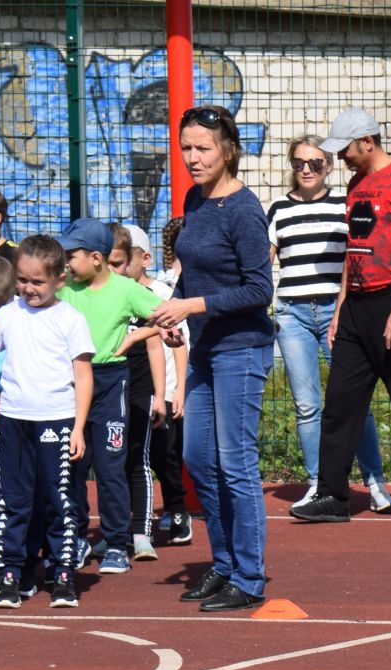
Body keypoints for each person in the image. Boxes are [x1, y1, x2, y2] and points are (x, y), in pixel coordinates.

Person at [150, 104, 276, 613]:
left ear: (228, 151)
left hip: (241, 349)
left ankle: (248, 576)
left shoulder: (245, 209)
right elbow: (195, 274)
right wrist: (178, 322)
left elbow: (258, 289)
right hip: (201, 347)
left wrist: (192, 306)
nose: (192, 158)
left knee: (236, 464)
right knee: (197, 459)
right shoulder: (193, 200)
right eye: (186, 148)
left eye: (203, 148)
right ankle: (222, 566)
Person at [290, 108, 391, 525]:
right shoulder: (355, 185)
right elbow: (353, 253)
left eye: (347, 150)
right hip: (353, 305)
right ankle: (333, 496)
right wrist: (339, 312)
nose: (344, 158)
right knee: (340, 404)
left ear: (367, 142)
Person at [268, 135, 391, 513]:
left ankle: (374, 484)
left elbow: (358, 256)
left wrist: (353, 306)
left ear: (328, 165)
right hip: (291, 313)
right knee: (306, 405)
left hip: (338, 313)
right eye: (298, 163)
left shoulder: (345, 204)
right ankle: (318, 484)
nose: (306, 170)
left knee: (356, 403)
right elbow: (263, 261)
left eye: (315, 163)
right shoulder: (277, 209)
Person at [0, 234, 94, 609]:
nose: (28, 288)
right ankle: (11, 571)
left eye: (37, 281)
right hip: (12, 421)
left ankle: (62, 571)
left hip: (56, 421)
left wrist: (78, 427)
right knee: (13, 499)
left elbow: (84, 375)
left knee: (60, 499)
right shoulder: (8, 314)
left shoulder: (70, 319)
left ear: (60, 279)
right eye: (22, 280)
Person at [57, 217, 160, 577]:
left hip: (111, 381)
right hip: (69, 383)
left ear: (97, 257)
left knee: (110, 464)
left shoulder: (125, 289)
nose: (66, 262)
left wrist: (133, 338)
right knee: (71, 465)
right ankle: (78, 537)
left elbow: (163, 316)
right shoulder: (64, 287)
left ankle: (117, 542)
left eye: (72, 254)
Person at [108, 223, 170, 560]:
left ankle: (141, 532)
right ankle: (112, 530)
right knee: (107, 463)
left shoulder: (141, 297)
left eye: (118, 264)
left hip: (139, 390)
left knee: (137, 459)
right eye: (108, 264)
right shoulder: (92, 296)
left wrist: (160, 396)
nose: (113, 271)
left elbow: (156, 346)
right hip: (104, 390)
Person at [151, 216, 194, 547]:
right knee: (160, 451)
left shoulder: (170, 287)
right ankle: (167, 508)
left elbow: (181, 339)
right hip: (156, 383)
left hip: (185, 375)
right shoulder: (159, 284)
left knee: (184, 449)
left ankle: (179, 507)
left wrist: (179, 385)